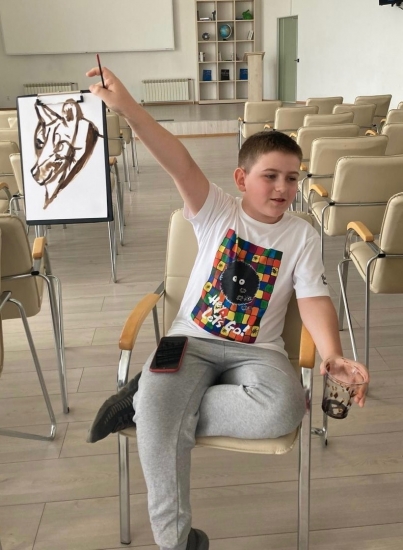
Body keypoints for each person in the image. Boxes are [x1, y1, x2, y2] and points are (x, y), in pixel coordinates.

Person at [85, 66, 369, 550]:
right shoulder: (217, 210)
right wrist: (127, 107)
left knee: (283, 409)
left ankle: (147, 402)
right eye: (269, 176)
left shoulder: (301, 235)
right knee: (161, 410)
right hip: (187, 341)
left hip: (259, 352)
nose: (282, 188)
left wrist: (332, 353)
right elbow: (179, 161)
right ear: (241, 178)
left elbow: (313, 297)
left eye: (292, 178)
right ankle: (177, 541)